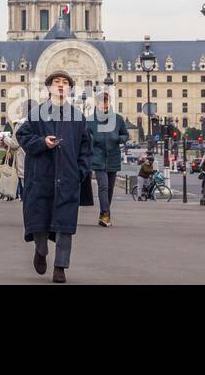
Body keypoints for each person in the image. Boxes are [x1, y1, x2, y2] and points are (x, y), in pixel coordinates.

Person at [17, 70, 92, 284]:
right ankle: (41, 250)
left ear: (69, 89)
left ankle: (60, 267)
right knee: (39, 221)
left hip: (68, 178)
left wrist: (80, 171)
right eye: (56, 82)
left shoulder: (78, 118)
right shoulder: (37, 114)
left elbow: (86, 149)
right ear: (49, 88)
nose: (61, 85)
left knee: (64, 225)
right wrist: (42, 142)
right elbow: (22, 135)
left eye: (65, 82)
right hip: (41, 177)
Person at [89, 91, 129, 226]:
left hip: (113, 158)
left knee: (110, 189)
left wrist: (119, 138)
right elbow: (84, 138)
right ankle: (106, 214)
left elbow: (125, 134)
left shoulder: (118, 119)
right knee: (103, 187)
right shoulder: (90, 121)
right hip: (98, 158)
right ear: (97, 104)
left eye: (106, 105)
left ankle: (103, 214)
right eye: (102, 104)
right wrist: (92, 140)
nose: (104, 108)